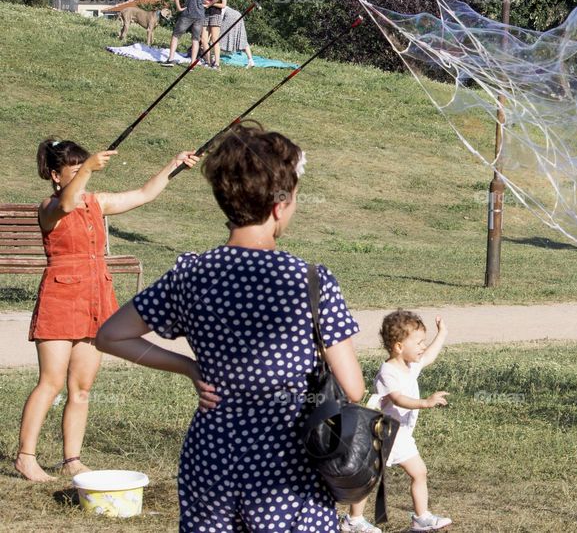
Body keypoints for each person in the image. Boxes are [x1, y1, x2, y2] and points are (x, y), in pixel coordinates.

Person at [96, 122, 365, 531]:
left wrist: (189, 367)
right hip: (286, 460)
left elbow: (111, 335)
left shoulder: (190, 272)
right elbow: (353, 387)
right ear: (279, 206)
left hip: (212, 451)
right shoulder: (309, 279)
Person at [14, 140, 198, 482]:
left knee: (81, 387)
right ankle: (26, 458)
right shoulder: (49, 205)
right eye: (75, 169)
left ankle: (72, 459)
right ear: (55, 175)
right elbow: (66, 203)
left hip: (96, 297)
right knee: (51, 382)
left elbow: (143, 194)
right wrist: (87, 169)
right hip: (60, 298)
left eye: (84, 168)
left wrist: (174, 165)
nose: (86, 176)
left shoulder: (96, 203)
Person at [342, 311, 451, 533]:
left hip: (400, 436)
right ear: (399, 347)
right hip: (383, 435)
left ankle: (421, 518)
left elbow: (429, 356)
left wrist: (442, 334)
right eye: (419, 342)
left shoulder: (411, 365)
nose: (423, 346)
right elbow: (398, 399)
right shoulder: (388, 372)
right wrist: (425, 402)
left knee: (419, 472)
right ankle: (353, 521)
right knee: (369, 478)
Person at [162, 0, 220, 67]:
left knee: (176, 36)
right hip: (200, 15)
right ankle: (192, 63)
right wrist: (209, 4)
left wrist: (179, 7)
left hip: (187, 13)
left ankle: (170, 59)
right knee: (196, 39)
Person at [200, 0, 229, 70]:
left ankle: (217, 63)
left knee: (214, 40)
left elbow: (223, 5)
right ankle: (207, 61)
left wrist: (211, 3)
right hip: (206, 14)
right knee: (204, 39)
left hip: (215, 15)